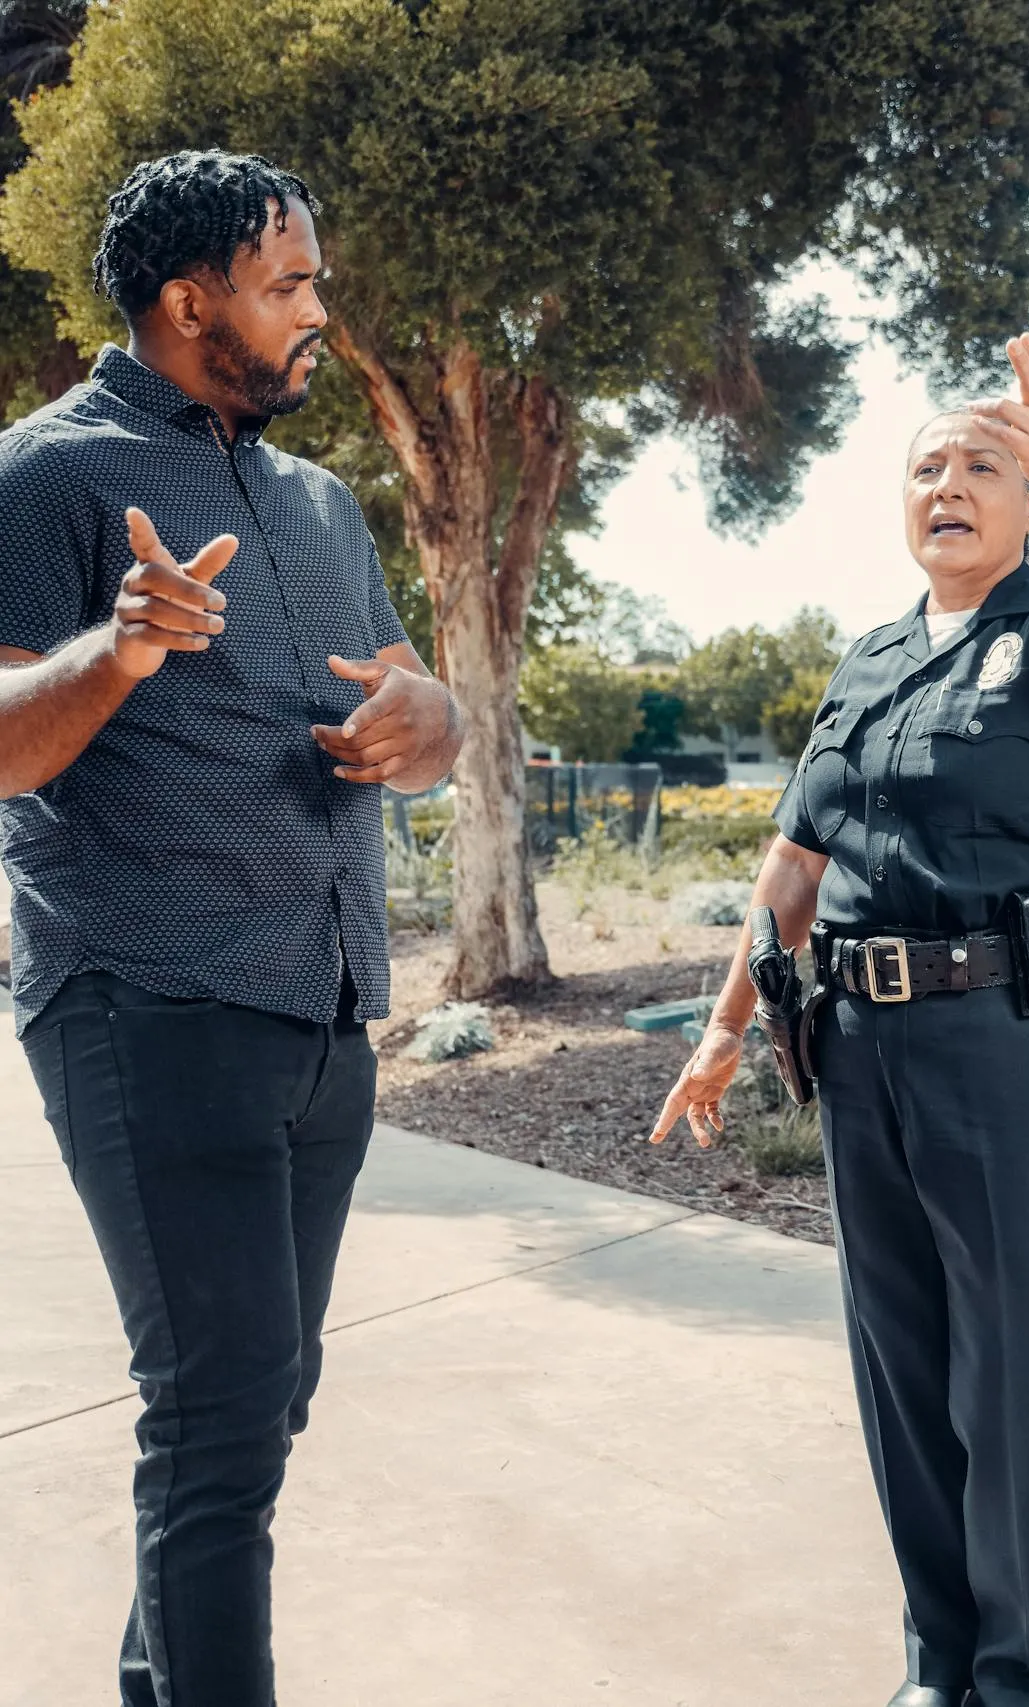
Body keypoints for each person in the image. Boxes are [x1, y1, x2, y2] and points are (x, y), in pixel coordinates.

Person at [0, 150, 464, 1707]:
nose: (321, 311)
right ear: (191, 300)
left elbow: (427, 704)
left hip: (321, 1003)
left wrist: (426, 716)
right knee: (216, 1407)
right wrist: (116, 649)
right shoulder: (46, 477)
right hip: (148, 993)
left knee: (258, 1403)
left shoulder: (319, 502)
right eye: (291, 286)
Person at [651, 334, 1029, 1707]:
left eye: (981, 463)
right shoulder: (866, 663)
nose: (950, 482)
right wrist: (724, 1027)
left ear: (1025, 495)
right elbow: (796, 863)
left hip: (1022, 1049)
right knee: (905, 1372)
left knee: (1016, 1389)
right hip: (866, 1055)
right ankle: (942, 1665)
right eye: (928, 464)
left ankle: (1025, 1677)